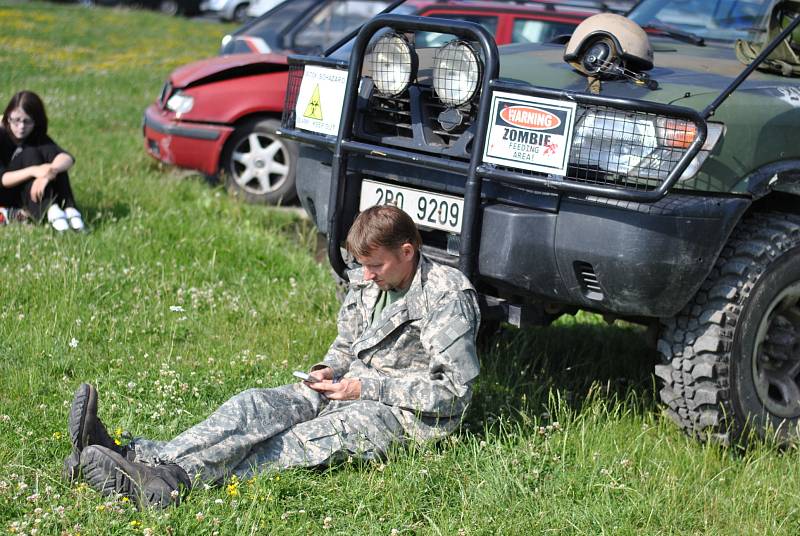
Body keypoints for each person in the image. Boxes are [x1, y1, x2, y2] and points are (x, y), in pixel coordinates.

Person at [66, 205, 480, 508]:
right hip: (347, 387)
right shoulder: (369, 281)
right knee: (254, 408)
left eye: (375, 265)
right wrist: (329, 369)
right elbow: (345, 344)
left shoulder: (446, 295)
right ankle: (130, 454)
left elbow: (454, 393)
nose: (366, 276)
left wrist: (365, 386)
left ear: (407, 251)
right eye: (363, 266)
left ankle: (167, 482)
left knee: (291, 441)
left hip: (403, 416)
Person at [0, 91, 85, 231]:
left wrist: (48, 173)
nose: (21, 127)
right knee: (30, 154)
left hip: (22, 192)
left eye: (27, 121)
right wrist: (34, 171)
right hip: (4, 192)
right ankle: (51, 210)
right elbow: (2, 179)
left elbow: (67, 158)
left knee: (56, 167)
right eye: (16, 120)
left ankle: (70, 210)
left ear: (36, 122)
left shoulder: (36, 136)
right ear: (8, 117)